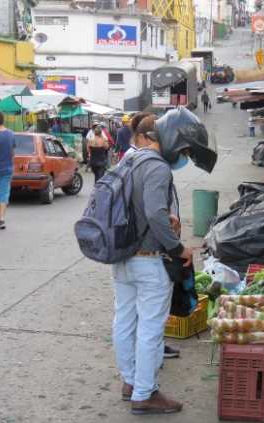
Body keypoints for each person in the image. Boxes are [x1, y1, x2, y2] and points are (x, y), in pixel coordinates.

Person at [112, 115, 193, 415]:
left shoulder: (126, 162)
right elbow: (156, 214)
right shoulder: (156, 167)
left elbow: (137, 209)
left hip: (121, 256)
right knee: (149, 329)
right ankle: (144, 394)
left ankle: (130, 382)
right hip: (147, 260)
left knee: (124, 321)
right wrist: (179, 248)